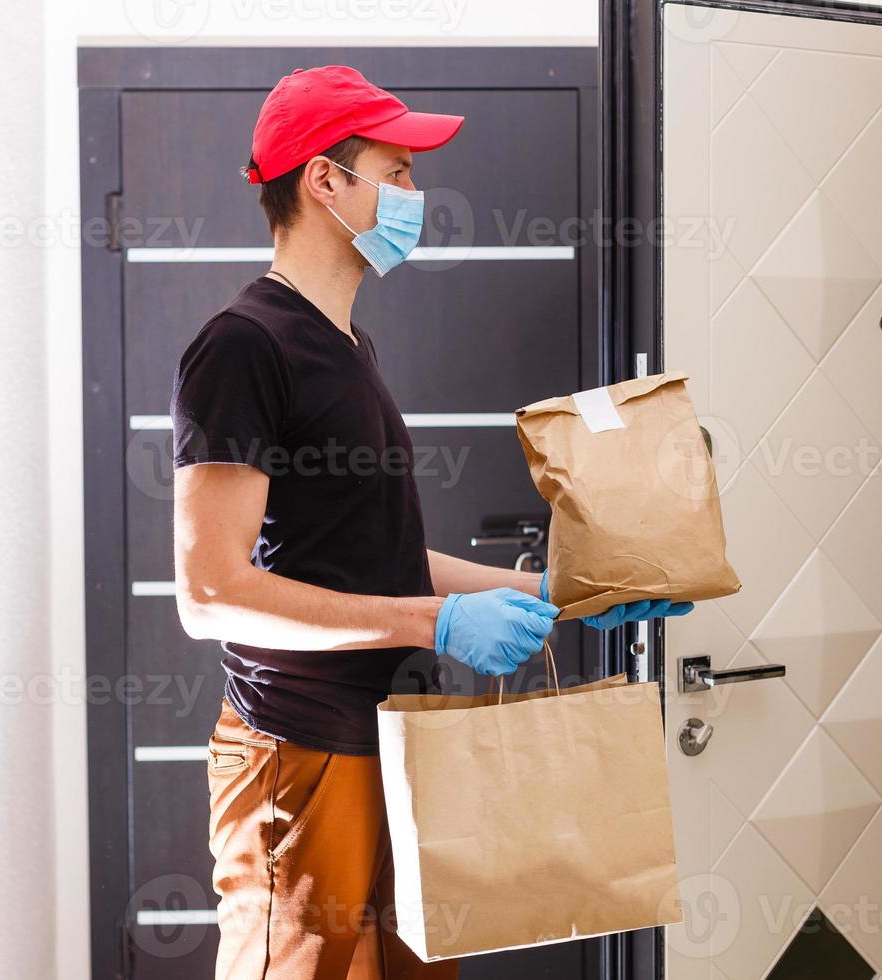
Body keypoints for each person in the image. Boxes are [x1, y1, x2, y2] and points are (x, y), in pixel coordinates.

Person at [169, 65, 692, 980]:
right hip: (296, 753)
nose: (416, 194)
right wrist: (437, 625)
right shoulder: (243, 344)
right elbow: (211, 594)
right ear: (325, 180)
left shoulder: (346, 346)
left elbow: (383, 558)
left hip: (390, 735)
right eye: (398, 172)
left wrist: (559, 594)